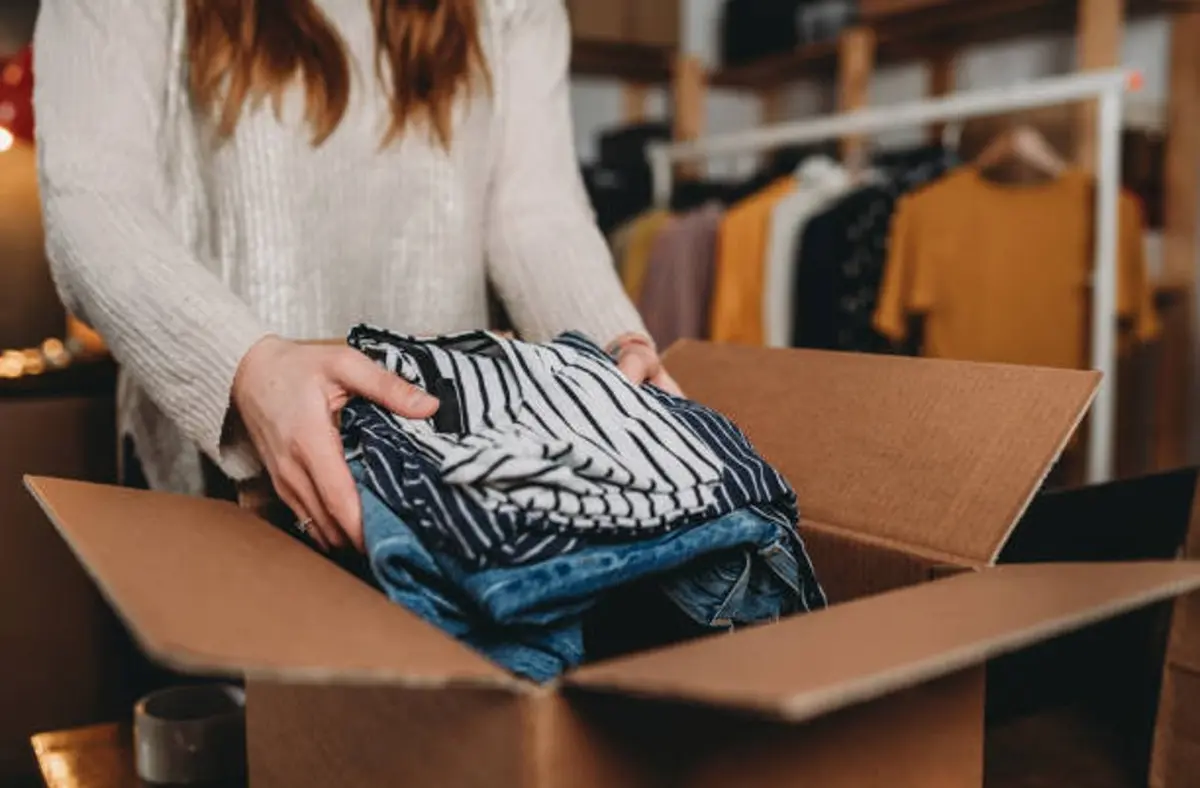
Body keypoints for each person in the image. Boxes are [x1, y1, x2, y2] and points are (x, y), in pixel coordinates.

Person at [33, 0, 678, 553]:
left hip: (442, 475)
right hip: (212, 490)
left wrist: (612, 354)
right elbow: (92, 200)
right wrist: (249, 371)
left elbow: (533, 215)